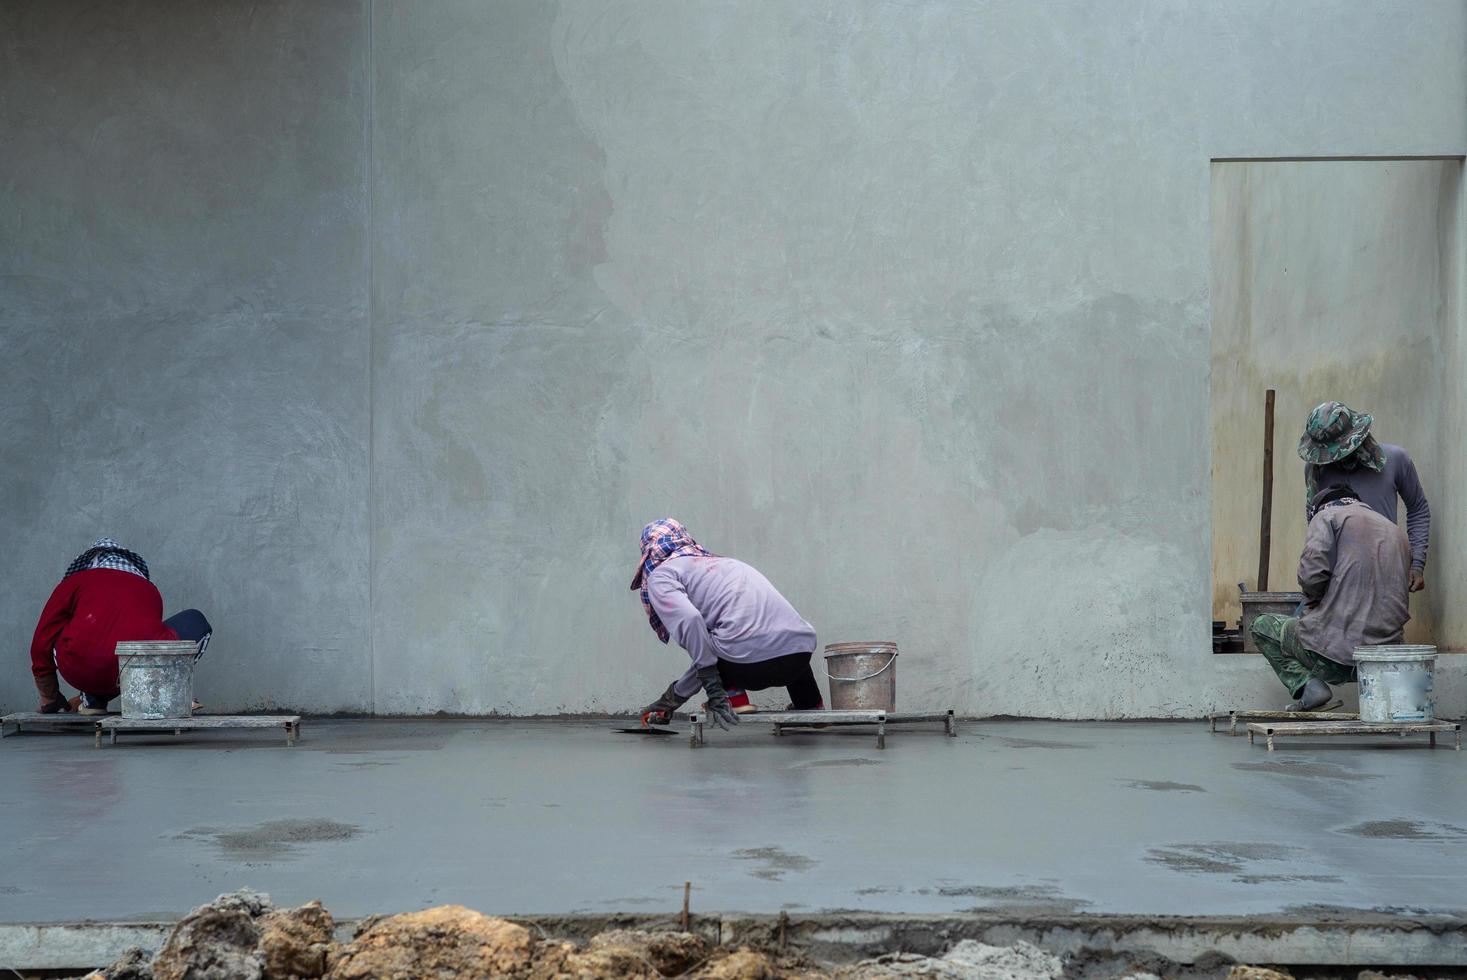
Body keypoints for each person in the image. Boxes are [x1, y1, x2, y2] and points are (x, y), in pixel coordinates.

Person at [631, 519, 823, 730]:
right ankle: (811, 706)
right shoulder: (726, 563)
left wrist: (682, 696)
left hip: (748, 667)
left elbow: (690, 621)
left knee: (712, 638)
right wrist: (673, 697)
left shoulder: (662, 575)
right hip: (799, 658)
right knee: (784, 634)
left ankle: (734, 698)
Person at [1250, 485, 1410, 710]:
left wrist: (1314, 597)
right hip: (1384, 657)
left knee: (1262, 626)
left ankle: (1309, 687)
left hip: (1335, 657)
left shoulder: (1326, 516)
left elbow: (1312, 574)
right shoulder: (1395, 530)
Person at [30, 538, 213, 715]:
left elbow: (42, 639)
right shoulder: (150, 589)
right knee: (194, 620)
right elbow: (146, 640)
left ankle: (94, 700)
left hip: (79, 670)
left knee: (57, 629)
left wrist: (49, 696)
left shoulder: (74, 582)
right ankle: (162, 688)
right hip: (131, 672)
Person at [1298, 401, 1430, 592]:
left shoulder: (1395, 460)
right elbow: (1314, 524)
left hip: (1386, 576)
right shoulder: (1316, 471)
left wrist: (1417, 564)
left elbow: (1418, 508)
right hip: (1336, 583)